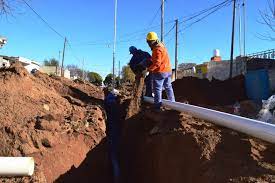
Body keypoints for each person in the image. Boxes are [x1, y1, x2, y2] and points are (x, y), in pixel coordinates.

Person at [146, 32, 175, 110]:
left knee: (157, 89)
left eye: (149, 42)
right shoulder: (162, 46)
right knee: (168, 87)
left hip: (160, 71)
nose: (148, 44)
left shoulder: (157, 49)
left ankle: (157, 106)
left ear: (153, 41)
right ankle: (173, 103)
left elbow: (157, 63)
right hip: (168, 70)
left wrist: (149, 70)